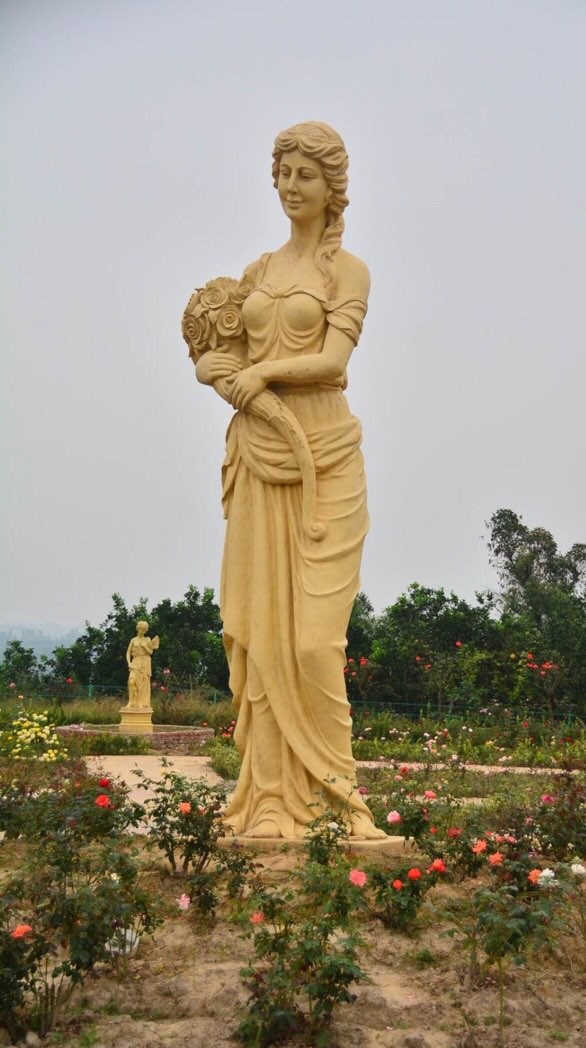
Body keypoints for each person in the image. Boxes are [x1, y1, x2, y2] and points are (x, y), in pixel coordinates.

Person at [187, 122, 382, 838]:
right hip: (258, 457)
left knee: (311, 643)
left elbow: (332, 361)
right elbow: (218, 354)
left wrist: (262, 372)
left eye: (305, 174)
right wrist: (216, 372)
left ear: (333, 187)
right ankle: (269, 801)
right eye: (283, 173)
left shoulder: (347, 272)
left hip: (323, 455)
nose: (291, 186)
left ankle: (339, 804)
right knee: (258, 632)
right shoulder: (256, 271)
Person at [125, 621, 160, 709]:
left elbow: (150, 652)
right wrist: (129, 663)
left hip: (144, 662)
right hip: (135, 662)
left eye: (144, 630)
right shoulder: (133, 640)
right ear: (138, 629)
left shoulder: (147, 640)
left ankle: (140, 703)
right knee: (131, 682)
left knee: (142, 684)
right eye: (141, 629)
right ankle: (131, 702)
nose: (142, 631)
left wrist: (145, 647)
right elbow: (128, 652)